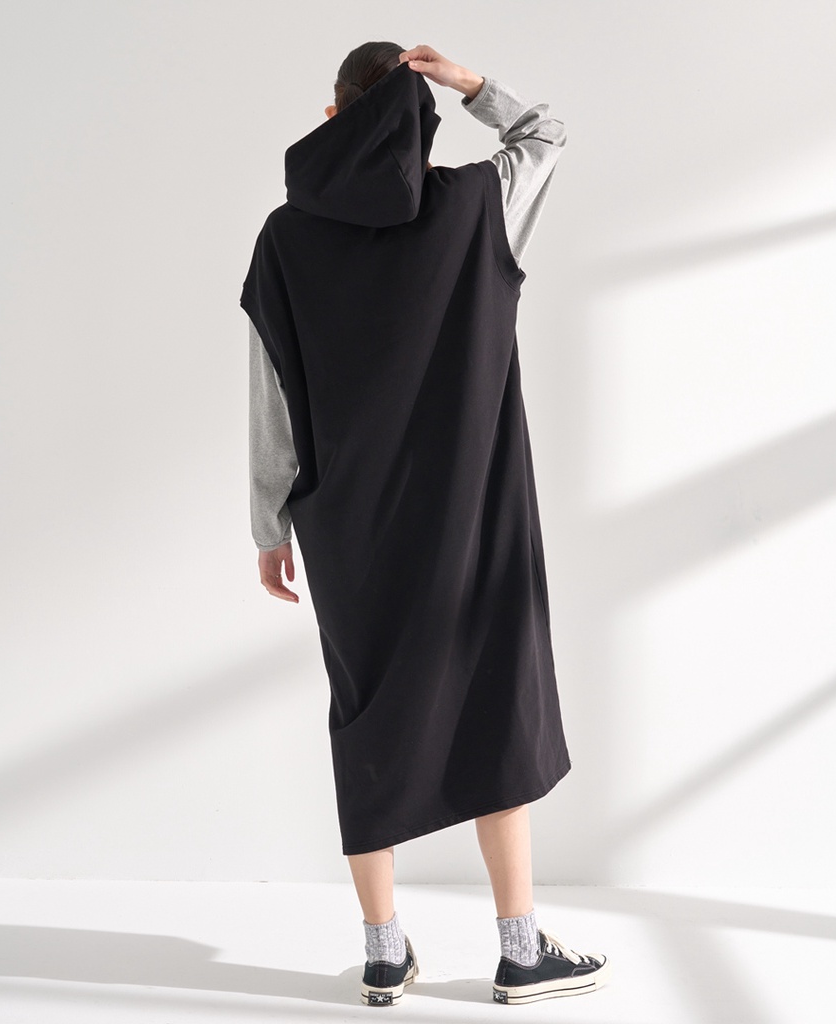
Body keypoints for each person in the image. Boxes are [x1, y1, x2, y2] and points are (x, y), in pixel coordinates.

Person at [241, 42, 611, 1006]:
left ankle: (382, 951)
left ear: (331, 120)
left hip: (349, 531)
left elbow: (272, 393)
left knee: (366, 718)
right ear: (419, 121)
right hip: (473, 518)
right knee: (496, 703)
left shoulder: (284, 238)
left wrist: (269, 525)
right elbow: (545, 134)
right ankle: (519, 951)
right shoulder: (476, 204)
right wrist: (468, 83)